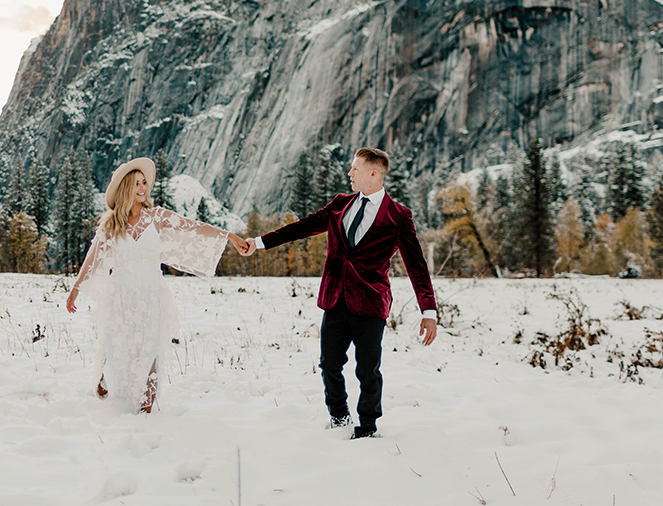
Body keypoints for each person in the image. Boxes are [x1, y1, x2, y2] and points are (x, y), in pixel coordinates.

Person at [240, 147, 437, 438]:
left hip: (370, 303)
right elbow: (302, 227)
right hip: (335, 299)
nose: (349, 173)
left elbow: (417, 265)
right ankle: (339, 415)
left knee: (367, 370)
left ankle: (368, 427)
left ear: (373, 173)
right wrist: (258, 242)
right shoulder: (340, 204)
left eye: (355, 169)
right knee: (329, 364)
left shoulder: (398, 216)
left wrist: (428, 311)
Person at [66, 157, 248, 413]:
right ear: (126, 187)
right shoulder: (111, 225)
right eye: (137, 183)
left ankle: (147, 406)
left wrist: (230, 236)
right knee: (118, 344)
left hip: (151, 294)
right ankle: (106, 381)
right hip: (120, 294)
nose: (143, 188)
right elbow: (93, 258)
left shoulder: (157, 217)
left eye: (144, 183)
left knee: (149, 348)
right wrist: (75, 289)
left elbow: (194, 228)